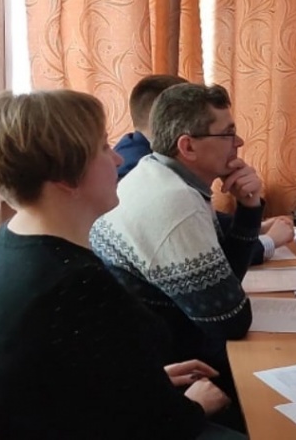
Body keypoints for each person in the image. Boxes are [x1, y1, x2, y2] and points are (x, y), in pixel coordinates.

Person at [0, 90, 244, 440]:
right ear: (66, 178)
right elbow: (162, 425)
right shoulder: (76, 284)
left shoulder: (6, 244)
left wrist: (146, 377)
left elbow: (61, 372)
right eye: (103, 147)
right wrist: (196, 405)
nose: (117, 158)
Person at [90, 83, 262, 430]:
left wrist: (249, 207)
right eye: (228, 134)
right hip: (169, 375)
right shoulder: (174, 201)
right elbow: (231, 321)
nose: (239, 142)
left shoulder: (156, 171)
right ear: (188, 146)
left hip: (157, 357)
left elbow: (227, 283)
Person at [117, 75, 293, 264]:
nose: (239, 142)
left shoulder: (157, 165)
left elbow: (216, 263)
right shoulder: (151, 181)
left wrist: (251, 216)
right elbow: (214, 265)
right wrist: (268, 240)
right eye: (227, 134)